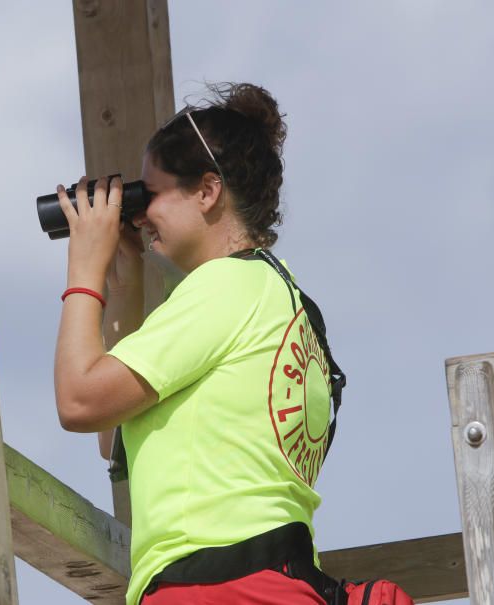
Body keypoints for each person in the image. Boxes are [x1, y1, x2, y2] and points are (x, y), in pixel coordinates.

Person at [53, 83, 335, 605]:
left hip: (214, 589)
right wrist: (125, 285)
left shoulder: (224, 287)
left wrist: (83, 270)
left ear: (207, 191)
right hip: (278, 585)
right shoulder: (281, 299)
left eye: (150, 195)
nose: (140, 214)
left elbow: (78, 401)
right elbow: (111, 431)